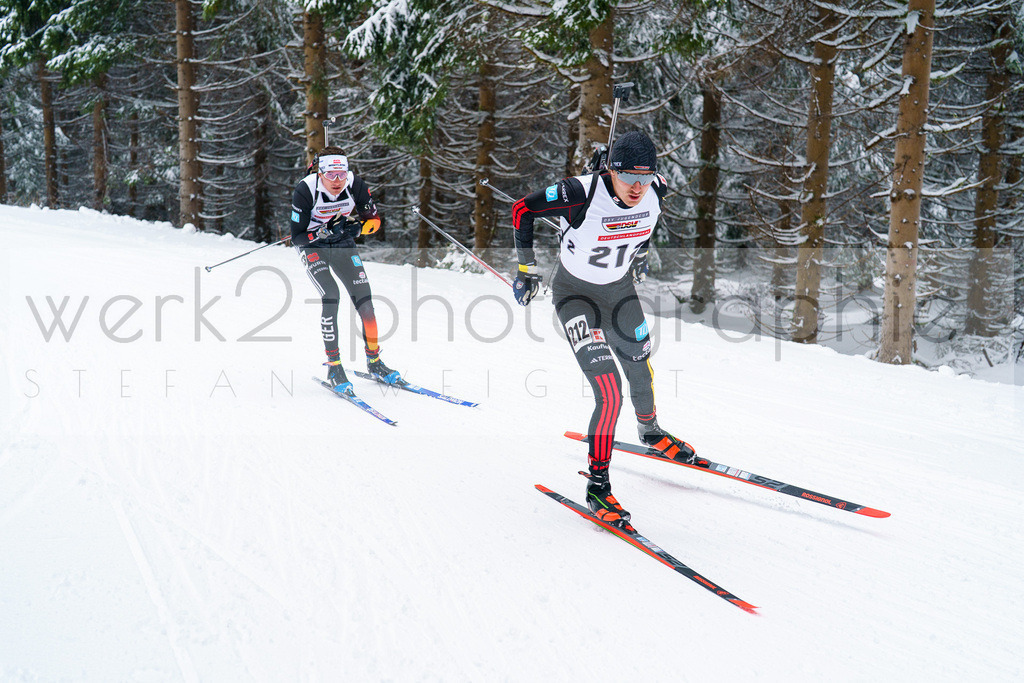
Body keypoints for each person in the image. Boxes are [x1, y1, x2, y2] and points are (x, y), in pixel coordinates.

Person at [511, 130, 709, 529]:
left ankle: (650, 431)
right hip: (575, 298)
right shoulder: (579, 193)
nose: (638, 185)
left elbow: (643, 223)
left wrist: (640, 256)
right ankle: (598, 485)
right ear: (610, 171)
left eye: (646, 175)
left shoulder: (658, 189)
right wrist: (525, 269)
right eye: (629, 176)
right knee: (609, 391)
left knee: (640, 361)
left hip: (619, 293)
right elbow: (521, 210)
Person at [290, 145, 401, 394]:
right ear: (320, 174)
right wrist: (321, 230)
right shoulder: (306, 190)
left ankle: (375, 362)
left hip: (342, 243)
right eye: (331, 175)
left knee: (366, 303)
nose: (337, 181)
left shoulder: (355, 185)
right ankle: (334, 366)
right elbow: (296, 238)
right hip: (312, 245)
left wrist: (358, 229)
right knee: (331, 295)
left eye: (342, 174)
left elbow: (374, 220)